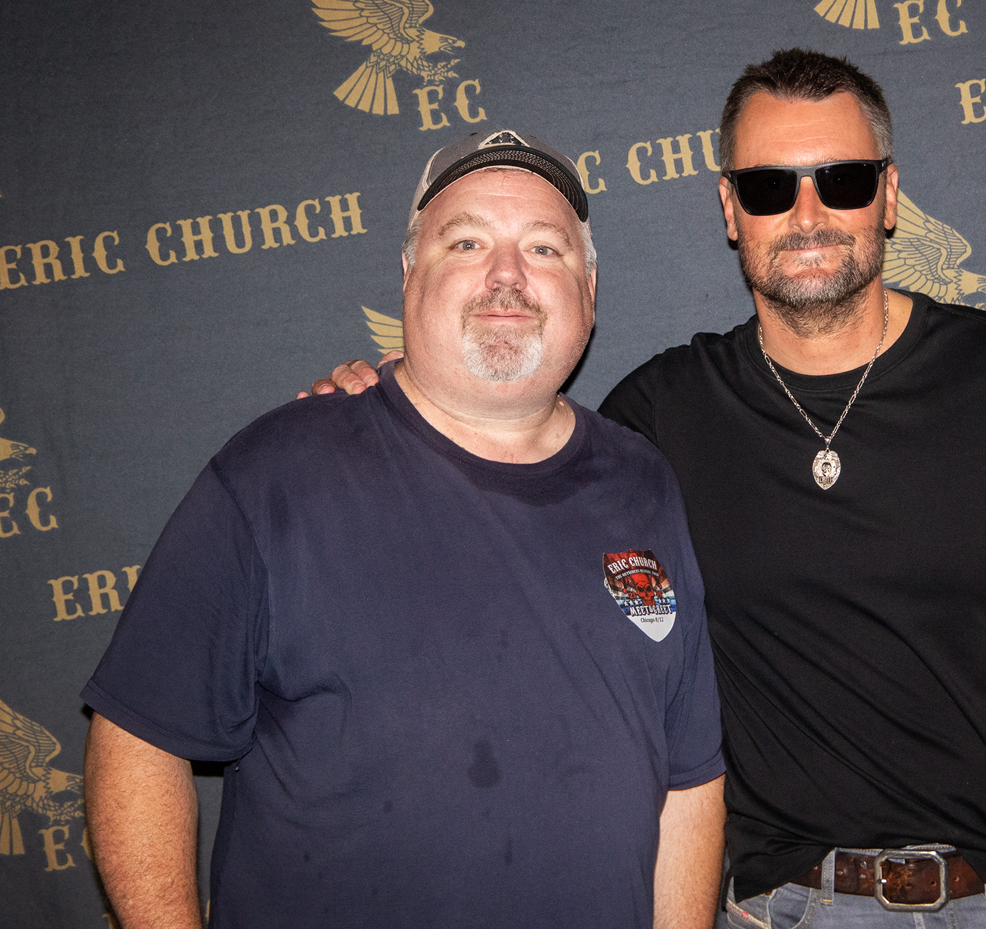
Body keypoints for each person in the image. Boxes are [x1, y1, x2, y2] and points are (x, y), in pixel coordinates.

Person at [320, 50, 986, 928]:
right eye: (770, 187)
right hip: (786, 906)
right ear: (730, 208)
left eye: (843, 180)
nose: (808, 214)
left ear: (889, 195)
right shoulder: (660, 417)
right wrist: (398, 403)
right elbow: (505, 470)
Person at [82, 130, 726, 929]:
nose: (507, 274)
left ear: (588, 291)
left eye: (544, 248)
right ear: (409, 272)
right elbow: (137, 737)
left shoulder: (643, 482)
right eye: (467, 242)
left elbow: (688, 780)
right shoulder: (278, 472)